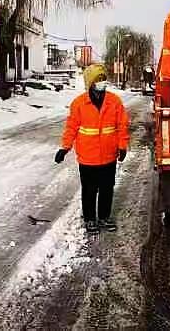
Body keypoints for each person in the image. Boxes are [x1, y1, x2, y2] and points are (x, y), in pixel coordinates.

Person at [54, 64, 129, 234]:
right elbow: (71, 127)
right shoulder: (79, 103)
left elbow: (122, 125)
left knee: (106, 189)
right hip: (88, 158)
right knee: (89, 191)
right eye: (98, 79)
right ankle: (89, 220)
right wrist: (64, 148)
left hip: (109, 157)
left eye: (103, 78)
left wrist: (122, 146)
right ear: (90, 82)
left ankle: (104, 217)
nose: (102, 82)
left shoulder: (114, 101)